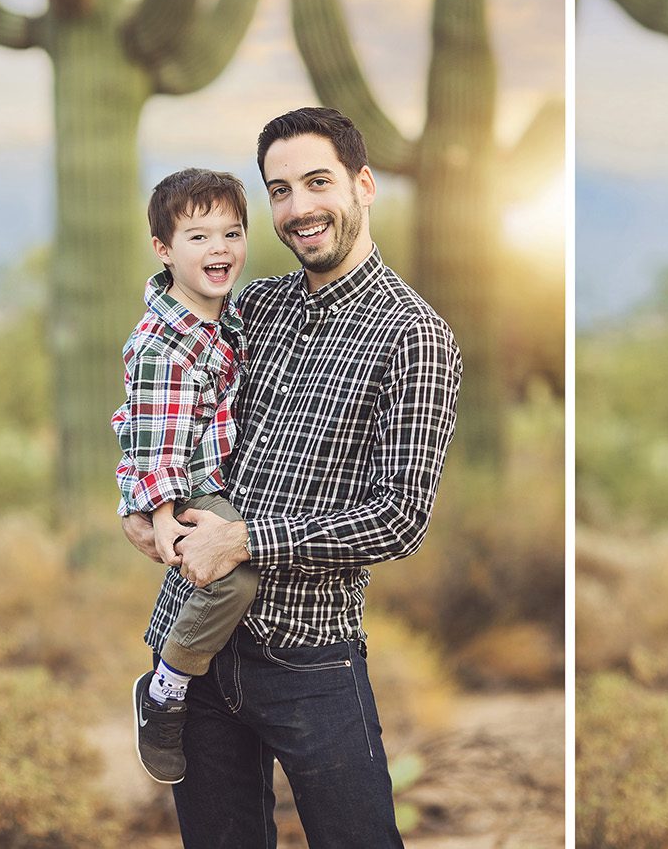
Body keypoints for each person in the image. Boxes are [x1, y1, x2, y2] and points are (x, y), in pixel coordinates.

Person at [120, 107, 462, 847]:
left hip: (311, 658)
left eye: (317, 182)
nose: (298, 208)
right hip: (193, 647)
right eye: (279, 190)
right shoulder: (253, 307)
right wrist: (139, 502)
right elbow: (161, 385)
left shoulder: (415, 336)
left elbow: (400, 516)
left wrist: (245, 541)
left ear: (363, 184)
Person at [115, 168, 258, 785]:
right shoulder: (164, 343)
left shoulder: (219, 319)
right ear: (164, 250)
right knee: (237, 574)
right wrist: (162, 512)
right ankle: (165, 690)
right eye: (198, 237)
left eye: (231, 232)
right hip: (189, 486)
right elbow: (152, 437)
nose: (219, 248)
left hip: (209, 477)